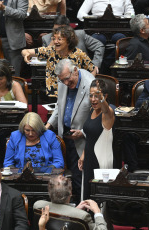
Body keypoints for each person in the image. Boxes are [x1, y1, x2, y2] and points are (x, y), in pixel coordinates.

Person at [45, 59, 94, 203]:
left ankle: (80, 209)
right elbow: (60, 106)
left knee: (79, 178)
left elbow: (97, 115)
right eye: (62, 80)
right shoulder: (63, 80)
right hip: (65, 135)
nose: (66, 83)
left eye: (67, 79)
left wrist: (83, 132)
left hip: (81, 139)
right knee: (62, 175)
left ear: (75, 70)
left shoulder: (90, 84)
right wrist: (47, 126)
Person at [22, 25, 96, 97]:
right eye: (54, 39)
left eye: (59, 39)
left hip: (73, 93)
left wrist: (88, 85)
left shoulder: (79, 54)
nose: (55, 42)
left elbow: (93, 69)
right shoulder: (50, 51)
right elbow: (25, 51)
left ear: (69, 41)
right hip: (53, 93)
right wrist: (26, 55)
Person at [78, 79, 115, 200]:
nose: (93, 99)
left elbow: (106, 109)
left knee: (99, 197)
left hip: (101, 160)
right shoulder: (92, 110)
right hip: (89, 158)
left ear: (105, 96)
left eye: (97, 96)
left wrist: (101, 99)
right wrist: (83, 155)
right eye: (91, 95)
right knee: (87, 195)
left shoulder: (108, 114)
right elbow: (89, 137)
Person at [34, 175, 108, 230]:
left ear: (49, 192)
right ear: (71, 193)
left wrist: (75, 210)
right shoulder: (83, 216)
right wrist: (97, 212)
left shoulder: (38, 205)